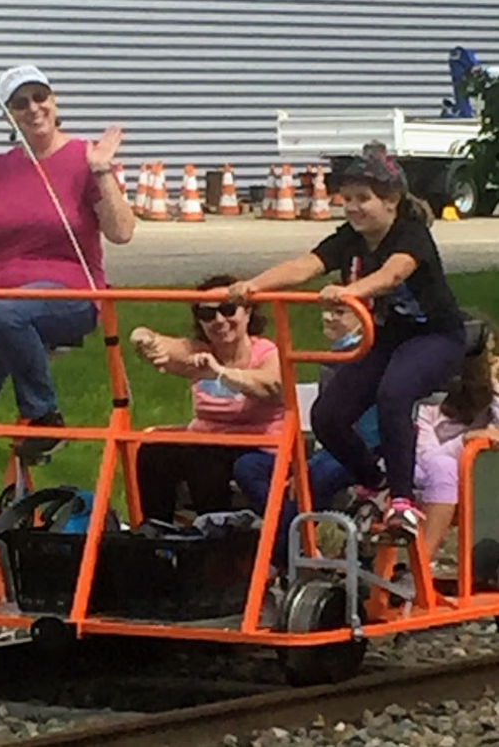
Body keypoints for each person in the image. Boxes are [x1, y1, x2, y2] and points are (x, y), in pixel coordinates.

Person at [0, 63, 135, 506]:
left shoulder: (85, 158)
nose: (33, 108)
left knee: (6, 312)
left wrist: (101, 172)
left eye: (40, 97)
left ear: (54, 101)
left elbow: (122, 232)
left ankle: (44, 416)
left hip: (71, 294)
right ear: (8, 114)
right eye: (19, 103)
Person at [230, 149, 466, 539]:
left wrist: (350, 291)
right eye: (347, 198)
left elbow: (393, 274)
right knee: (328, 416)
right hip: (389, 338)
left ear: (391, 201)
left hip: (436, 337)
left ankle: (403, 502)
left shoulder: (410, 234)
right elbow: (305, 265)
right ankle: (376, 481)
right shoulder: (350, 238)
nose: (353, 207)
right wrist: (252, 286)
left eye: (363, 199)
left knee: (394, 392)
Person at [234, 303, 381, 568]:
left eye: (339, 312)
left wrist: (307, 470)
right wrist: (305, 465)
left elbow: (367, 433)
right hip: (326, 451)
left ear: (365, 318)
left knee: (308, 484)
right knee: (249, 466)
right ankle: (294, 540)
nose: (327, 317)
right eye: (326, 310)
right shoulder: (334, 356)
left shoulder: (369, 357)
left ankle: (277, 560)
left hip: (359, 454)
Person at [129, 274, 285, 523]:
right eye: (207, 314)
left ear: (247, 312)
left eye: (228, 310)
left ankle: (213, 536)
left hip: (257, 444)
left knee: (203, 459)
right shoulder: (200, 352)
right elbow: (164, 344)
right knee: (153, 451)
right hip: (205, 440)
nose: (219, 320)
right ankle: (156, 532)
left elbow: (273, 386)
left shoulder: (266, 352)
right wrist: (143, 339)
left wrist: (221, 373)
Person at [414, 324, 499, 560]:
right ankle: (421, 565)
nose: (494, 360)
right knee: (443, 466)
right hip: (424, 478)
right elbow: (425, 457)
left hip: (481, 483)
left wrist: (495, 388)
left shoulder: (490, 401)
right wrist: (464, 441)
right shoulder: (427, 401)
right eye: (489, 353)